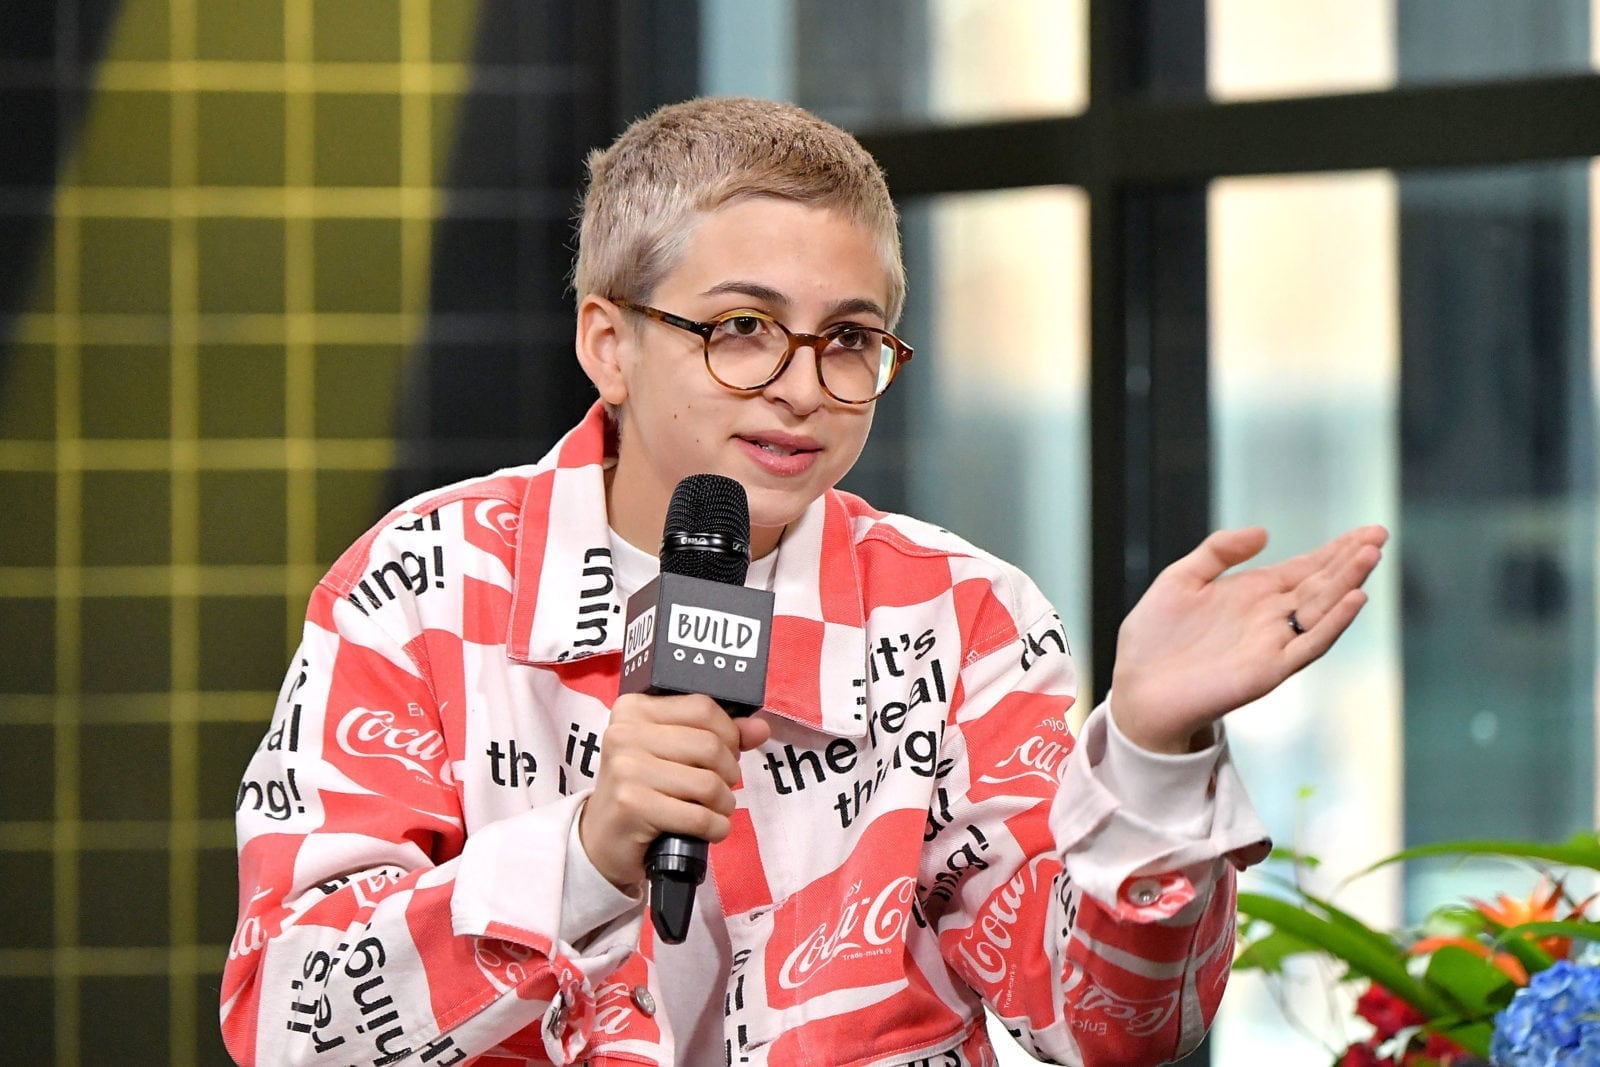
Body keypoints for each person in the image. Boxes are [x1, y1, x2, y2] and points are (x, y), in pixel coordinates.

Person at [221, 96, 1386, 1066]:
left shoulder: (963, 615)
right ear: (608, 343)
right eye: (742, 326)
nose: (799, 385)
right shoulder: (422, 585)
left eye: (848, 339)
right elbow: (286, 1018)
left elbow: (1110, 1024)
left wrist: (1151, 749)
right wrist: (582, 852)